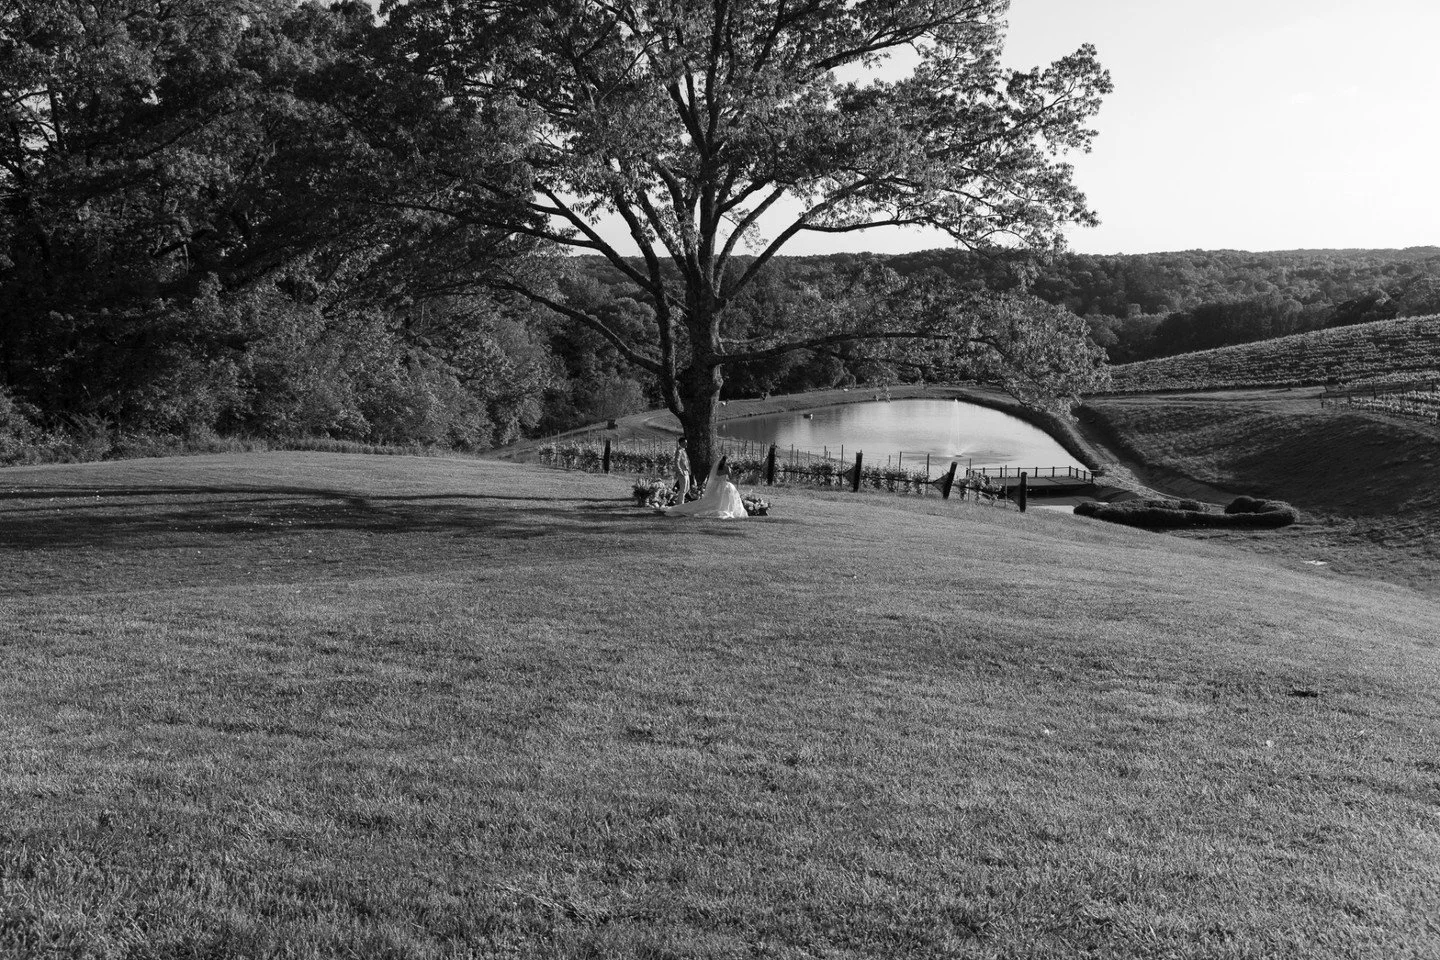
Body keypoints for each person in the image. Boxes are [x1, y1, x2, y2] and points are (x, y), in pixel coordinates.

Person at [663, 454, 747, 519]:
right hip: (724, 485)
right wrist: (737, 475)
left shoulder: (716, 468)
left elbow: (714, 477)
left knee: (713, 499)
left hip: (716, 486)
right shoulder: (727, 468)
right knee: (726, 497)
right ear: (726, 460)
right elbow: (731, 478)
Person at [672, 437, 691, 505]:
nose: (686, 444)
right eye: (685, 443)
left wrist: (689, 470)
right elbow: (676, 462)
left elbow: (686, 462)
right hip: (682, 472)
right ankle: (680, 504)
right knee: (683, 489)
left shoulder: (684, 451)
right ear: (681, 443)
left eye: (686, 443)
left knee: (687, 488)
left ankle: (678, 503)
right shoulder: (679, 451)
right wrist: (680, 471)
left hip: (686, 471)